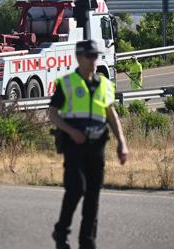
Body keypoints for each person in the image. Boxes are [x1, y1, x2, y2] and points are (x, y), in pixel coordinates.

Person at [49, 40, 129, 249]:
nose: (94, 60)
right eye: (90, 56)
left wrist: (122, 142)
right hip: (74, 146)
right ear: (79, 58)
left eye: (96, 56)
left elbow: (112, 115)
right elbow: (52, 113)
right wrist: (71, 131)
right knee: (76, 189)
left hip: (97, 147)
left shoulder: (104, 84)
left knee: (93, 196)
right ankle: (61, 231)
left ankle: (87, 242)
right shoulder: (67, 83)